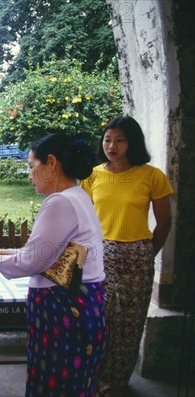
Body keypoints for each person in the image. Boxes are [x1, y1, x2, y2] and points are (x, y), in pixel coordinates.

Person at [0, 133, 107, 397]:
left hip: (65, 310)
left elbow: (31, 261)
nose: (30, 175)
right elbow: (44, 254)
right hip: (83, 306)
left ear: (51, 163)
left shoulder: (60, 202)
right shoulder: (78, 196)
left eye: (32, 167)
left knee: (55, 385)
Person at [80, 116, 173, 397]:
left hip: (136, 257)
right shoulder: (92, 176)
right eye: (108, 139)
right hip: (99, 256)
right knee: (97, 320)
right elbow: (83, 220)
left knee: (128, 325)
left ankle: (114, 383)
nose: (112, 145)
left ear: (131, 142)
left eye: (120, 140)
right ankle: (91, 376)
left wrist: (145, 254)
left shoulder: (152, 175)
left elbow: (164, 223)